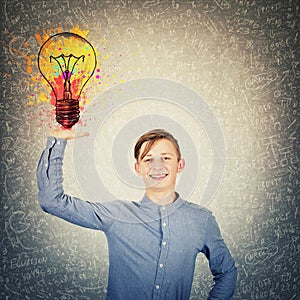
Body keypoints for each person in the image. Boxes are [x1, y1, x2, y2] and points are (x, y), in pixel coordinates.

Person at [37, 127, 237, 300]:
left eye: (165, 158)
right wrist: (58, 140)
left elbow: (226, 271)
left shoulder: (201, 220)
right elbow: (52, 201)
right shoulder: (117, 214)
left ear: (180, 164)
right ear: (137, 168)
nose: (157, 166)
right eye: (148, 159)